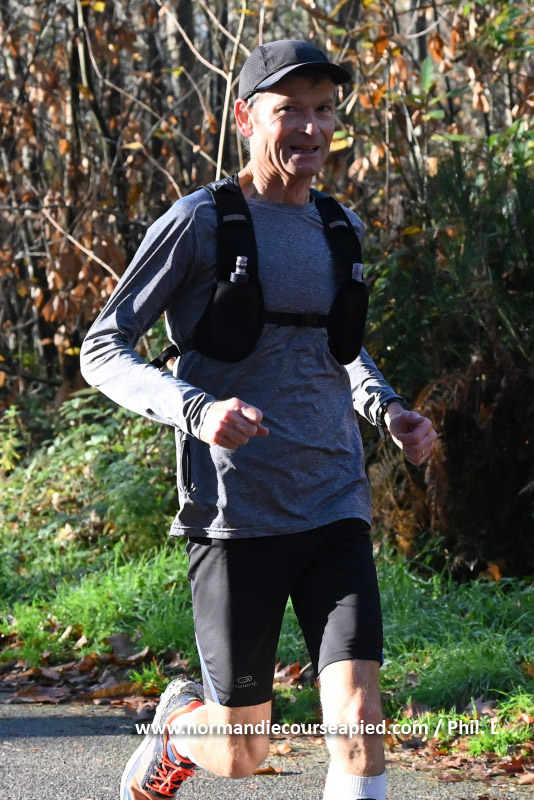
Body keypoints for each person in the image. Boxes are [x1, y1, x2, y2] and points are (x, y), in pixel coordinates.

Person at [80, 39, 437, 800]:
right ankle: (180, 729)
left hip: (335, 501)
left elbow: (336, 349)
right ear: (246, 118)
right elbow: (102, 348)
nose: (311, 128)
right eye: (289, 111)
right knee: (243, 752)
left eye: (323, 110)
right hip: (235, 514)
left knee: (360, 722)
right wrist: (197, 410)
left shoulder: (340, 227)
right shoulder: (199, 223)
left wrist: (390, 410)